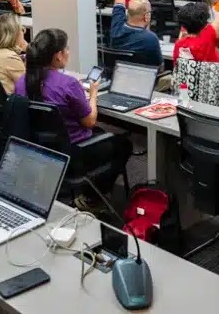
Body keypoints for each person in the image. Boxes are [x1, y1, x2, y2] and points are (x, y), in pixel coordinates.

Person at [14, 28, 132, 208]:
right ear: (58, 56)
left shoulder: (22, 81)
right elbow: (90, 121)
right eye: (66, 49)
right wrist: (93, 94)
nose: (68, 52)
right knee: (123, 144)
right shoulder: (67, 84)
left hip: (39, 148)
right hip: (74, 152)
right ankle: (91, 198)